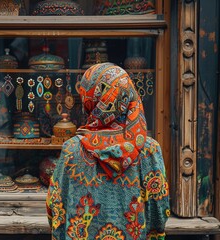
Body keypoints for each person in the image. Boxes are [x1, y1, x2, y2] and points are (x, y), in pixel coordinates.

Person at [46, 62, 170, 240]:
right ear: (128, 95)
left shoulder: (72, 150)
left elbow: (54, 208)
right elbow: (160, 211)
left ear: (89, 100)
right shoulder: (149, 150)